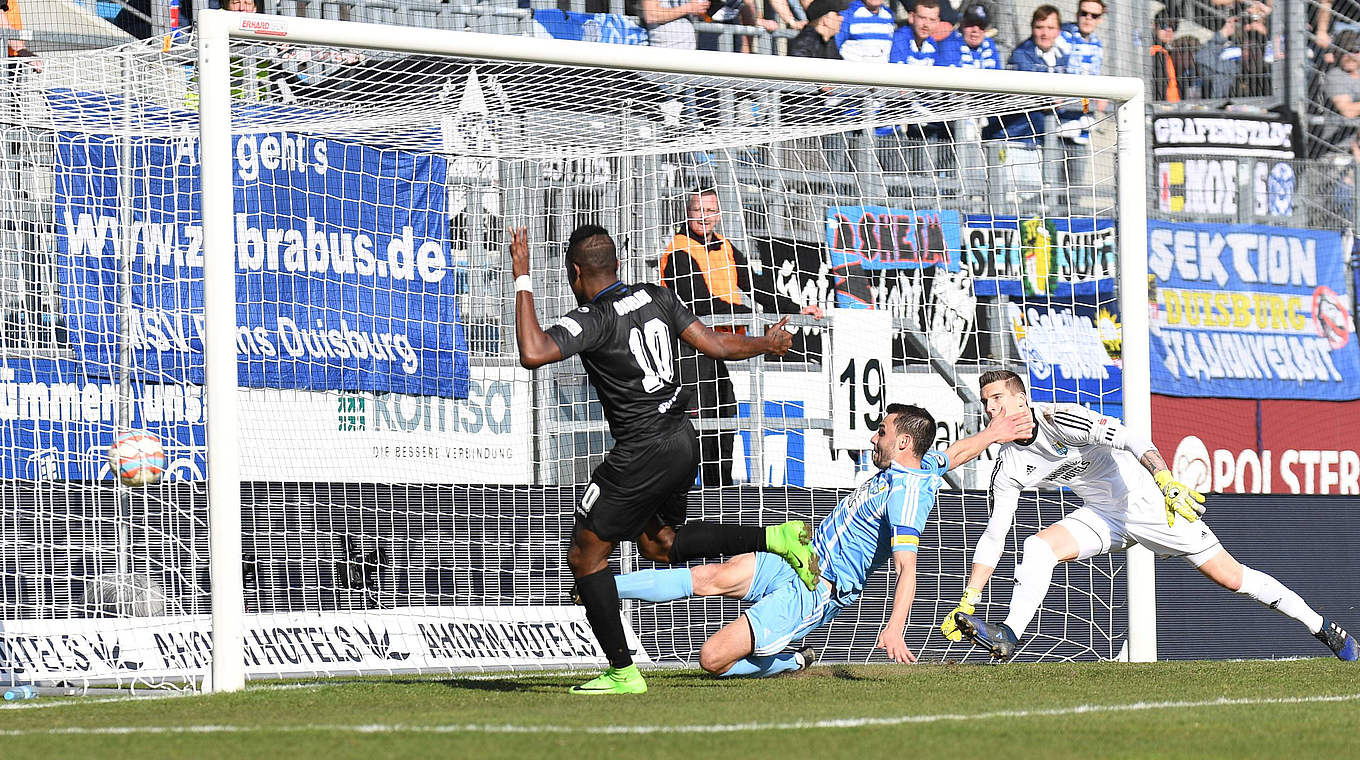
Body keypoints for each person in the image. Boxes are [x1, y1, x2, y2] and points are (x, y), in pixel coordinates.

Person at [510, 224, 820, 694]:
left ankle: (622, 671)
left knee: (586, 555)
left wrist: (521, 277)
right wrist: (766, 343)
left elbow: (532, 352)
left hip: (643, 449)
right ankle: (775, 536)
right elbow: (717, 345)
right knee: (658, 543)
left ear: (575, 273)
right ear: (615, 264)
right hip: (682, 437)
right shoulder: (657, 296)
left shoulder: (592, 317)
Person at [940, 370, 1359, 663]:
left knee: (1234, 578)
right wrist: (972, 595)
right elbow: (996, 532)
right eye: (986, 402)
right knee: (1036, 547)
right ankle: (1009, 636)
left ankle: (1322, 626)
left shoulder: (1059, 419)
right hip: (1103, 516)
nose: (992, 407)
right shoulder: (1010, 463)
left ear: (1021, 397)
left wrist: (1164, 479)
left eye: (998, 398)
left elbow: (1130, 437)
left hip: (1153, 506)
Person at [611, 404, 1035, 677]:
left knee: (712, 658)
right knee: (711, 576)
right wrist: (994, 433)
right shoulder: (920, 466)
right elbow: (957, 453)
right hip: (801, 555)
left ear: (903, 442)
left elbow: (909, 568)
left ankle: (792, 659)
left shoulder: (908, 496)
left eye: (882, 431)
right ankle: (602, 588)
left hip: (817, 588)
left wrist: (895, 627)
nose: (874, 436)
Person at [660, 188, 822, 488]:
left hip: (719, 349)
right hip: (689, 351)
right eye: (699, 210)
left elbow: (758, 285)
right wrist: (751, 316)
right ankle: (694, 497)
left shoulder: (726, 247)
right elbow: (701, 302)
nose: (705, 216)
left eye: (711, 210)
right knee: (702, 424)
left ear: (719, 214)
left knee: (726, 414)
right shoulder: (678, 252)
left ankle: (720, 490)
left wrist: (796, 309)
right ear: (688, 213)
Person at [937, 3, 1002, 70]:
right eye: (970, 23)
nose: (975, 30)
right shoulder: (949, 45)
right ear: (962, 24)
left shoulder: (990, 44)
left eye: (981, 25)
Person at [889, 0, 941, 66]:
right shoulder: (900, 38)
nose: (926, 24)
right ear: (912, 17)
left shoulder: (932, 43)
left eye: (932, 20)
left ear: (937, 22)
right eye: (922, 18)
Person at [1150, 9, 1183, 102]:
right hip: (1161, 109)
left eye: (1174, 26)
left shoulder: (1164, 51)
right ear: (1154, 26)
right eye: (1164, 25)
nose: (1169, 30)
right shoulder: (1154, 52)